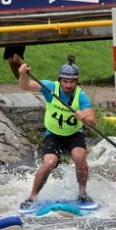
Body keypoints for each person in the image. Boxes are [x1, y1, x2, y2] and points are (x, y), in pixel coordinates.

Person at [17, 59, 96, 208]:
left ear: (76, 81)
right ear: (60, 80)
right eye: (65, 81)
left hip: (74, 134)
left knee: (80, 157)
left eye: (72, 82)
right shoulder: (50, 88)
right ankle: (32, 198)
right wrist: (23, 74)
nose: (68, 85)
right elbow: (24, 86)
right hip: (53, 134)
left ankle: (82, 193)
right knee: (49, 162)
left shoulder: (81, 96)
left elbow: (92, 121)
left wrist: (84, 117)